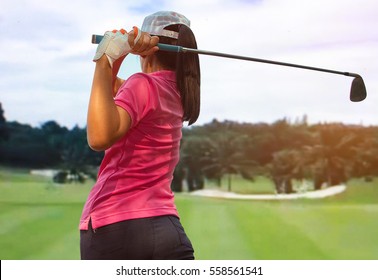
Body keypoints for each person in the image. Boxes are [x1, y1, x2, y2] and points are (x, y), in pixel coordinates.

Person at [79, 11, 200, 260]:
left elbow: (99, 137)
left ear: (149, 48)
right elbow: (110, 91)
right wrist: (118, 56)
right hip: (168, 229)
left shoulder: (143, 84)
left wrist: (106, 58)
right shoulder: (175, 92)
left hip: (119, 227)